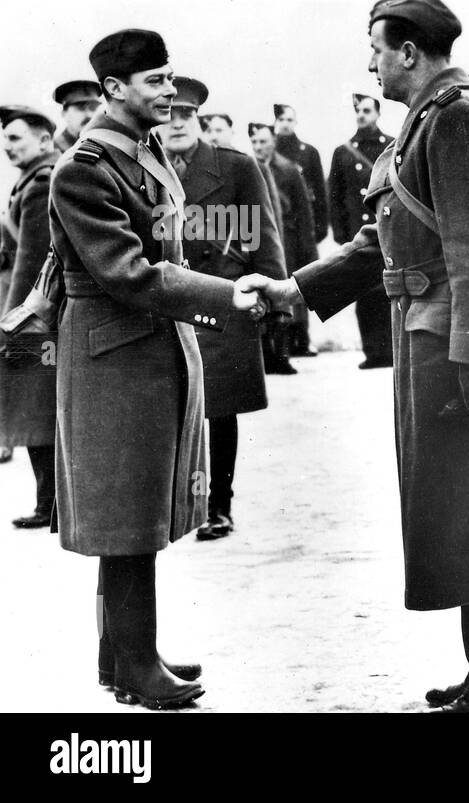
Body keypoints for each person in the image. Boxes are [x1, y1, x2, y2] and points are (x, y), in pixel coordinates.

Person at [245, 0, 469, 714]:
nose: (370, 62)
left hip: (465, 346)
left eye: (375, 48)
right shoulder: (429, 122)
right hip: (437, 339)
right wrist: (294, 288)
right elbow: (387, 240)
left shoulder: (459, 118)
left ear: (409, 52)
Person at [47, 28, 266, 708]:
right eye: (156, 82)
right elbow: (129, 272)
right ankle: (137, 665)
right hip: (114, 351)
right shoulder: (85, 168)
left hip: (143, 346)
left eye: (171, 79)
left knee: (134, 509)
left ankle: (123, 660)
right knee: (127, 515)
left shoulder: (137, 154)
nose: (169, 93)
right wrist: (227, 295)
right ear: (115, 89)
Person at [163, 77, 287, 541]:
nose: (176, 124)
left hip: (223, 298)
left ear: (198, 120)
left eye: (186, 116)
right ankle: (180, 504)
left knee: (219, 409)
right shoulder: (146, 167)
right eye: (169, 115)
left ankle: (219, 506)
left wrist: (275, 304)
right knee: (171, 406)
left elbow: (263, 234)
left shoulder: (235, 167)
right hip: (170, 303)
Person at [0, 105, 59, 528]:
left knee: (36, 407)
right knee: (36, 407)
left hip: (33, 317)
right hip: (38, 314)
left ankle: (49, 504)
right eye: (5, 138)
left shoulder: (40, 183)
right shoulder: (31, 180)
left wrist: (11, 320)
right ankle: (49, 502)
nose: (7, 145)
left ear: (43, 140)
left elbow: (31, 260)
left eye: (16, 137)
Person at [327, 91, 394, 369]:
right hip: (359, 232)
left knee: (389, 291)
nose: (361, 115)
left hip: (389, 230)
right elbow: (336, 197)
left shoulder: (391, 145)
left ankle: (391, 351)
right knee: (364, 293)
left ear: (378, 113)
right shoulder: (343, 152)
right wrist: (343, 235)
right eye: (358, 111)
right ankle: (372, 352)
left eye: (367, 110)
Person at [251, 121, 316, 375]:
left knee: (287, 301)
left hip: (288, 241)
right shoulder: (250, 167)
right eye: (254, 142)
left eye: (263, 141)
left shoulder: (288, 170)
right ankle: (268, 355)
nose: (259, 147)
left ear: (274, 142)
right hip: (262, 239)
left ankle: (285, 354)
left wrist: (307, 249)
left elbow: (303, 212)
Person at [273, 102, 327, 357]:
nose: (284, 124)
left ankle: (302, 339)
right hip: (278, 229)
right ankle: (282, 343)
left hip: (300, 228)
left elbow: (319, 191)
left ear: (295, 122)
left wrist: (318, 229)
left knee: (302, 281)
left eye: (288, 119)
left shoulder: (308, 153)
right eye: (280, 119)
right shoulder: (267, 152)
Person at [51, 80, 102, 153]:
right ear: (64, 114)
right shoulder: (55, 151)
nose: (89, 115)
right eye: (80, 108)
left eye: (93, 107)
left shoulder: (106, 141)